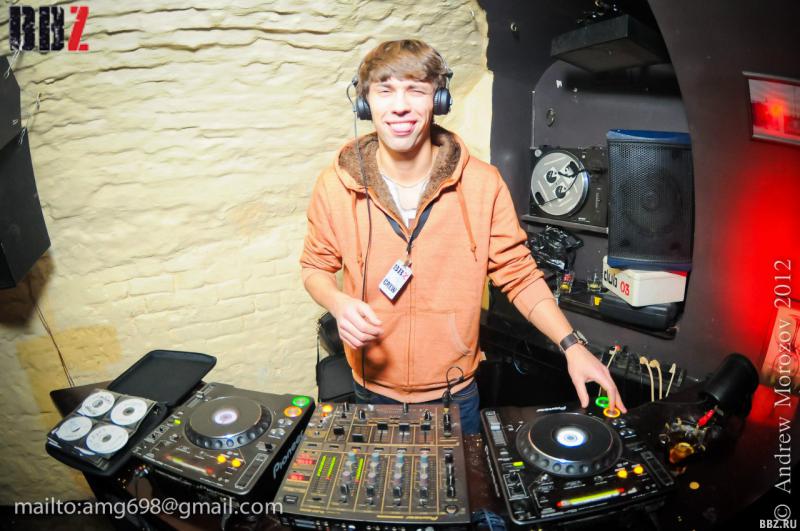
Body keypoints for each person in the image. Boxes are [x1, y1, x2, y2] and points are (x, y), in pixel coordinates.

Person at [300, 39, 626, 434]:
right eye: (385, 91)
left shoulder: (482, 184)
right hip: (371, 390)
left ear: (437, 100)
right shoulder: (336, 184)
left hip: (455, 394)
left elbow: (519, 274)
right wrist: (337, 302)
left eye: (415, 90)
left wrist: (572, 346)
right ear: (365, 103)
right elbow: (315, 267)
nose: (400, 106)